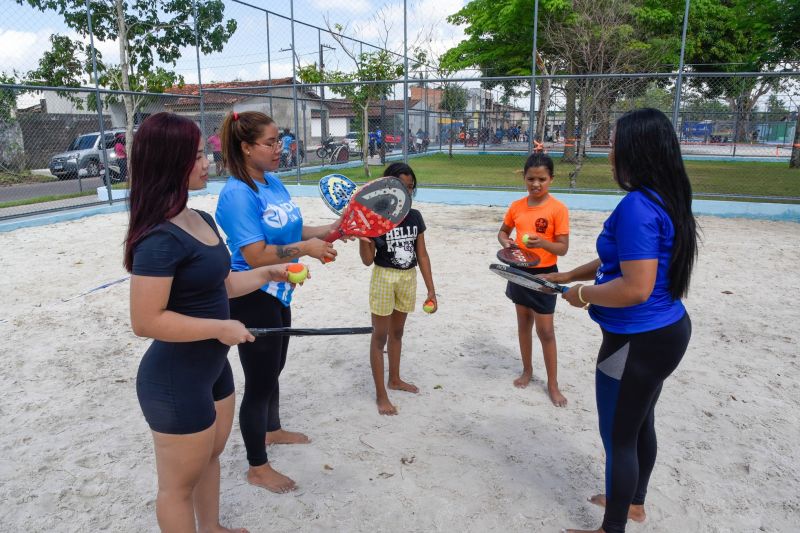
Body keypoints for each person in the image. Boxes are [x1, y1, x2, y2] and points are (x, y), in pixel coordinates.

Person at [126, 112, 294, 532]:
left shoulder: (200, 219)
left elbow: (221, 287)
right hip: (174, 380)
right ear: (171, 162)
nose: (207, 162)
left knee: (211, 456)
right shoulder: (159, 238)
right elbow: (146, 321)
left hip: (212, 370)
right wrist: (221, 329)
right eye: (198, 155)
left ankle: (213, 528)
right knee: (176, 488)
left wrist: (265, 274)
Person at [547, 108, 698, 533]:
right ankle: (632, 503)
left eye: (615, 144)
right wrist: (572, 273)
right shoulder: (665, 197)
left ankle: (612, 526)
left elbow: (635, 287)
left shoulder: (637, 205)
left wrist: (582, 294)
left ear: (637, 151)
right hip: (666, 332)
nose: (610, 153)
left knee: (618, 436)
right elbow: (626, 256)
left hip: (637, 341)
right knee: (639, 421)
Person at [215, 111, 345, 493]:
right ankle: (257, 466)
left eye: (280, 140)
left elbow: (291, 229)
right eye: (270, 143)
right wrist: (306, 248)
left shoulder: (272, 182)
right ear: (246, 147)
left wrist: (330, 231)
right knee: (259, 381)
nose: (280, 148)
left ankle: (271, 430)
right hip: (252, 294)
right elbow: (255, 254)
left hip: (280, 290)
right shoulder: (237, 194)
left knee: (274, 369)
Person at [358, 162, 437, 416]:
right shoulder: (375, 219)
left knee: (398, 332)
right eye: (402, 187)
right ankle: (381, 395)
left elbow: (422, 255)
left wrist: (431, 290)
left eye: (411, 188)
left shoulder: (415, 217)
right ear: (387, 189)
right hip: (383, 277)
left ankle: (395, 379)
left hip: (408, 277)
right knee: (379, 337)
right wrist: (363, 238)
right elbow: (367, 260)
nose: (407, 193)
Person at [497, 152, 570, 406]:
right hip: (519, 271)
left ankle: (553, 384)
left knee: (546, 331)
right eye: (531, 179)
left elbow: (562, 249)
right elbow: (504, 231)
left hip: (546, 274)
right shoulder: (517, 206)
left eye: (541, 179)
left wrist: (544, 244)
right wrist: (506, 242)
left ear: (551, 179)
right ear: (524, 178)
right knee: (523, 323)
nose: (536, 184)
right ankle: (527, 370)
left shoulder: (557, 209)